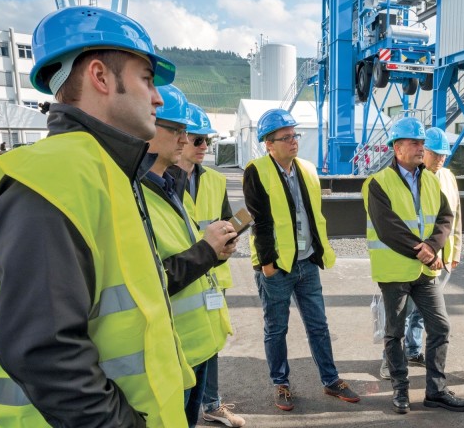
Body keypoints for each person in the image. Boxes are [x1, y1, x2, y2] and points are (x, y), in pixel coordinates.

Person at [0, 6, 192, 427]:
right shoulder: (56, 175)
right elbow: (45, 351)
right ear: (100, 77)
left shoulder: (104, 170)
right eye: (147, 80)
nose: (157, 98)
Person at [243, 108, 360, 411]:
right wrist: (267, 265)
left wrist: (318, 252)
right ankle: (280, 383)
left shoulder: (307, 169)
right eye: (286, 137)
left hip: (307, 263)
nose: (293, 141)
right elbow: (261, 222)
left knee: (318, 325)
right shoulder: (256, 170)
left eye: (295, 135)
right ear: (269, 144)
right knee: (276, 329)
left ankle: (331, 380)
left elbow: (312, 214)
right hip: (277, 268)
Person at [143, 85, 237, 427]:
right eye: (180, 132)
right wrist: (207, 250)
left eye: (194, 136)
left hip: (196, 335)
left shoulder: (170, 186)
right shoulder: (135, 192)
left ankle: (212, 403)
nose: (189, 142)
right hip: (170, 349)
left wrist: (218, 252)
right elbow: (151, 279)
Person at [363, 116, 464, 414]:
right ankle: (400, 390)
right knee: (394, 332)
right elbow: (387, 226)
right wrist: (420, 250)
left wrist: (433, 246)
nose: (421, 147)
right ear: (397, 148)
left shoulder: (432, 180)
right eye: (415, 142)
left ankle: (435, 391)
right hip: (395, 271)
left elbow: (445, 217)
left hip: (426, 271)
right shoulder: (377, 183)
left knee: (440, 326)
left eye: (422, 143)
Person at [173, 102, 247, 427]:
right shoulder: (161, 182)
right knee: (181, 351)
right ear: (180, 137)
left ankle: (212, 404)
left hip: (214, 277)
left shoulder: (215, 180)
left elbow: (226, 221)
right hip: (180, 279)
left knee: (210, 345)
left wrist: (232, 236)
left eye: (209, 141)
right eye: (198, 140)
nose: (205, 147)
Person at [380, 127, 463, 379]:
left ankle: (414, 350)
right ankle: (391, 366)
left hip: (437, 260)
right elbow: (397, 226)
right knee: (399, 319)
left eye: (443, 155)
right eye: (435, 154)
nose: (440, 159)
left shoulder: (446, 177)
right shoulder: (389, 181)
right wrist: (427, 252)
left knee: (424, 316)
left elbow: (453, 215)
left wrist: (454, 250)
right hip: (408, 261)